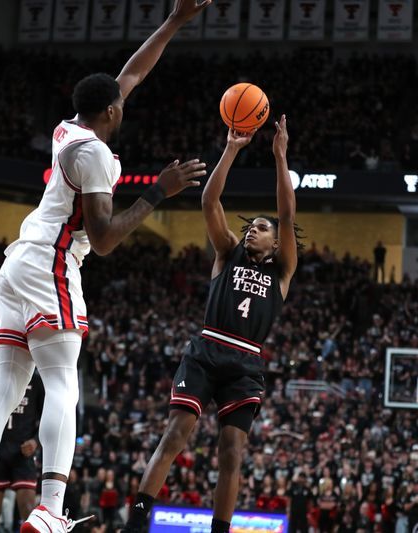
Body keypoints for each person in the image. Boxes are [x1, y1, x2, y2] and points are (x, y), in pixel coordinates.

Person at [0, 2, 211, 532]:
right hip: (51, 264)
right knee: (63, 385)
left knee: (6, 388)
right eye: (119, 107)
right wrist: (158, 192)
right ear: (109, 113)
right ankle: (51, 510)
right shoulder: (95, 154)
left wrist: (174, 23)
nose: (123, 109)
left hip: (17, 264)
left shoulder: (69, 128)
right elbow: (103, 240)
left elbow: (127, 77)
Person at [123, 115, 298, 533]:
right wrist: (232, 149)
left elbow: (288, 214)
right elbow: (209, 202)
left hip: (246, 363)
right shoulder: (227, 253)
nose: (251, 232)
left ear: (275, 243)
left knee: (232, 453)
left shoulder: (283, 271)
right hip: (206, 350)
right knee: (176, 434)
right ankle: (137, 521)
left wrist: (279, 156)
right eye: (250, 227)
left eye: (260, 229)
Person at [0, 371, 44, 533]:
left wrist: (35, 441)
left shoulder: (37, 382)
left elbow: (47, 418)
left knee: (28, 509)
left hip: (23, 452)